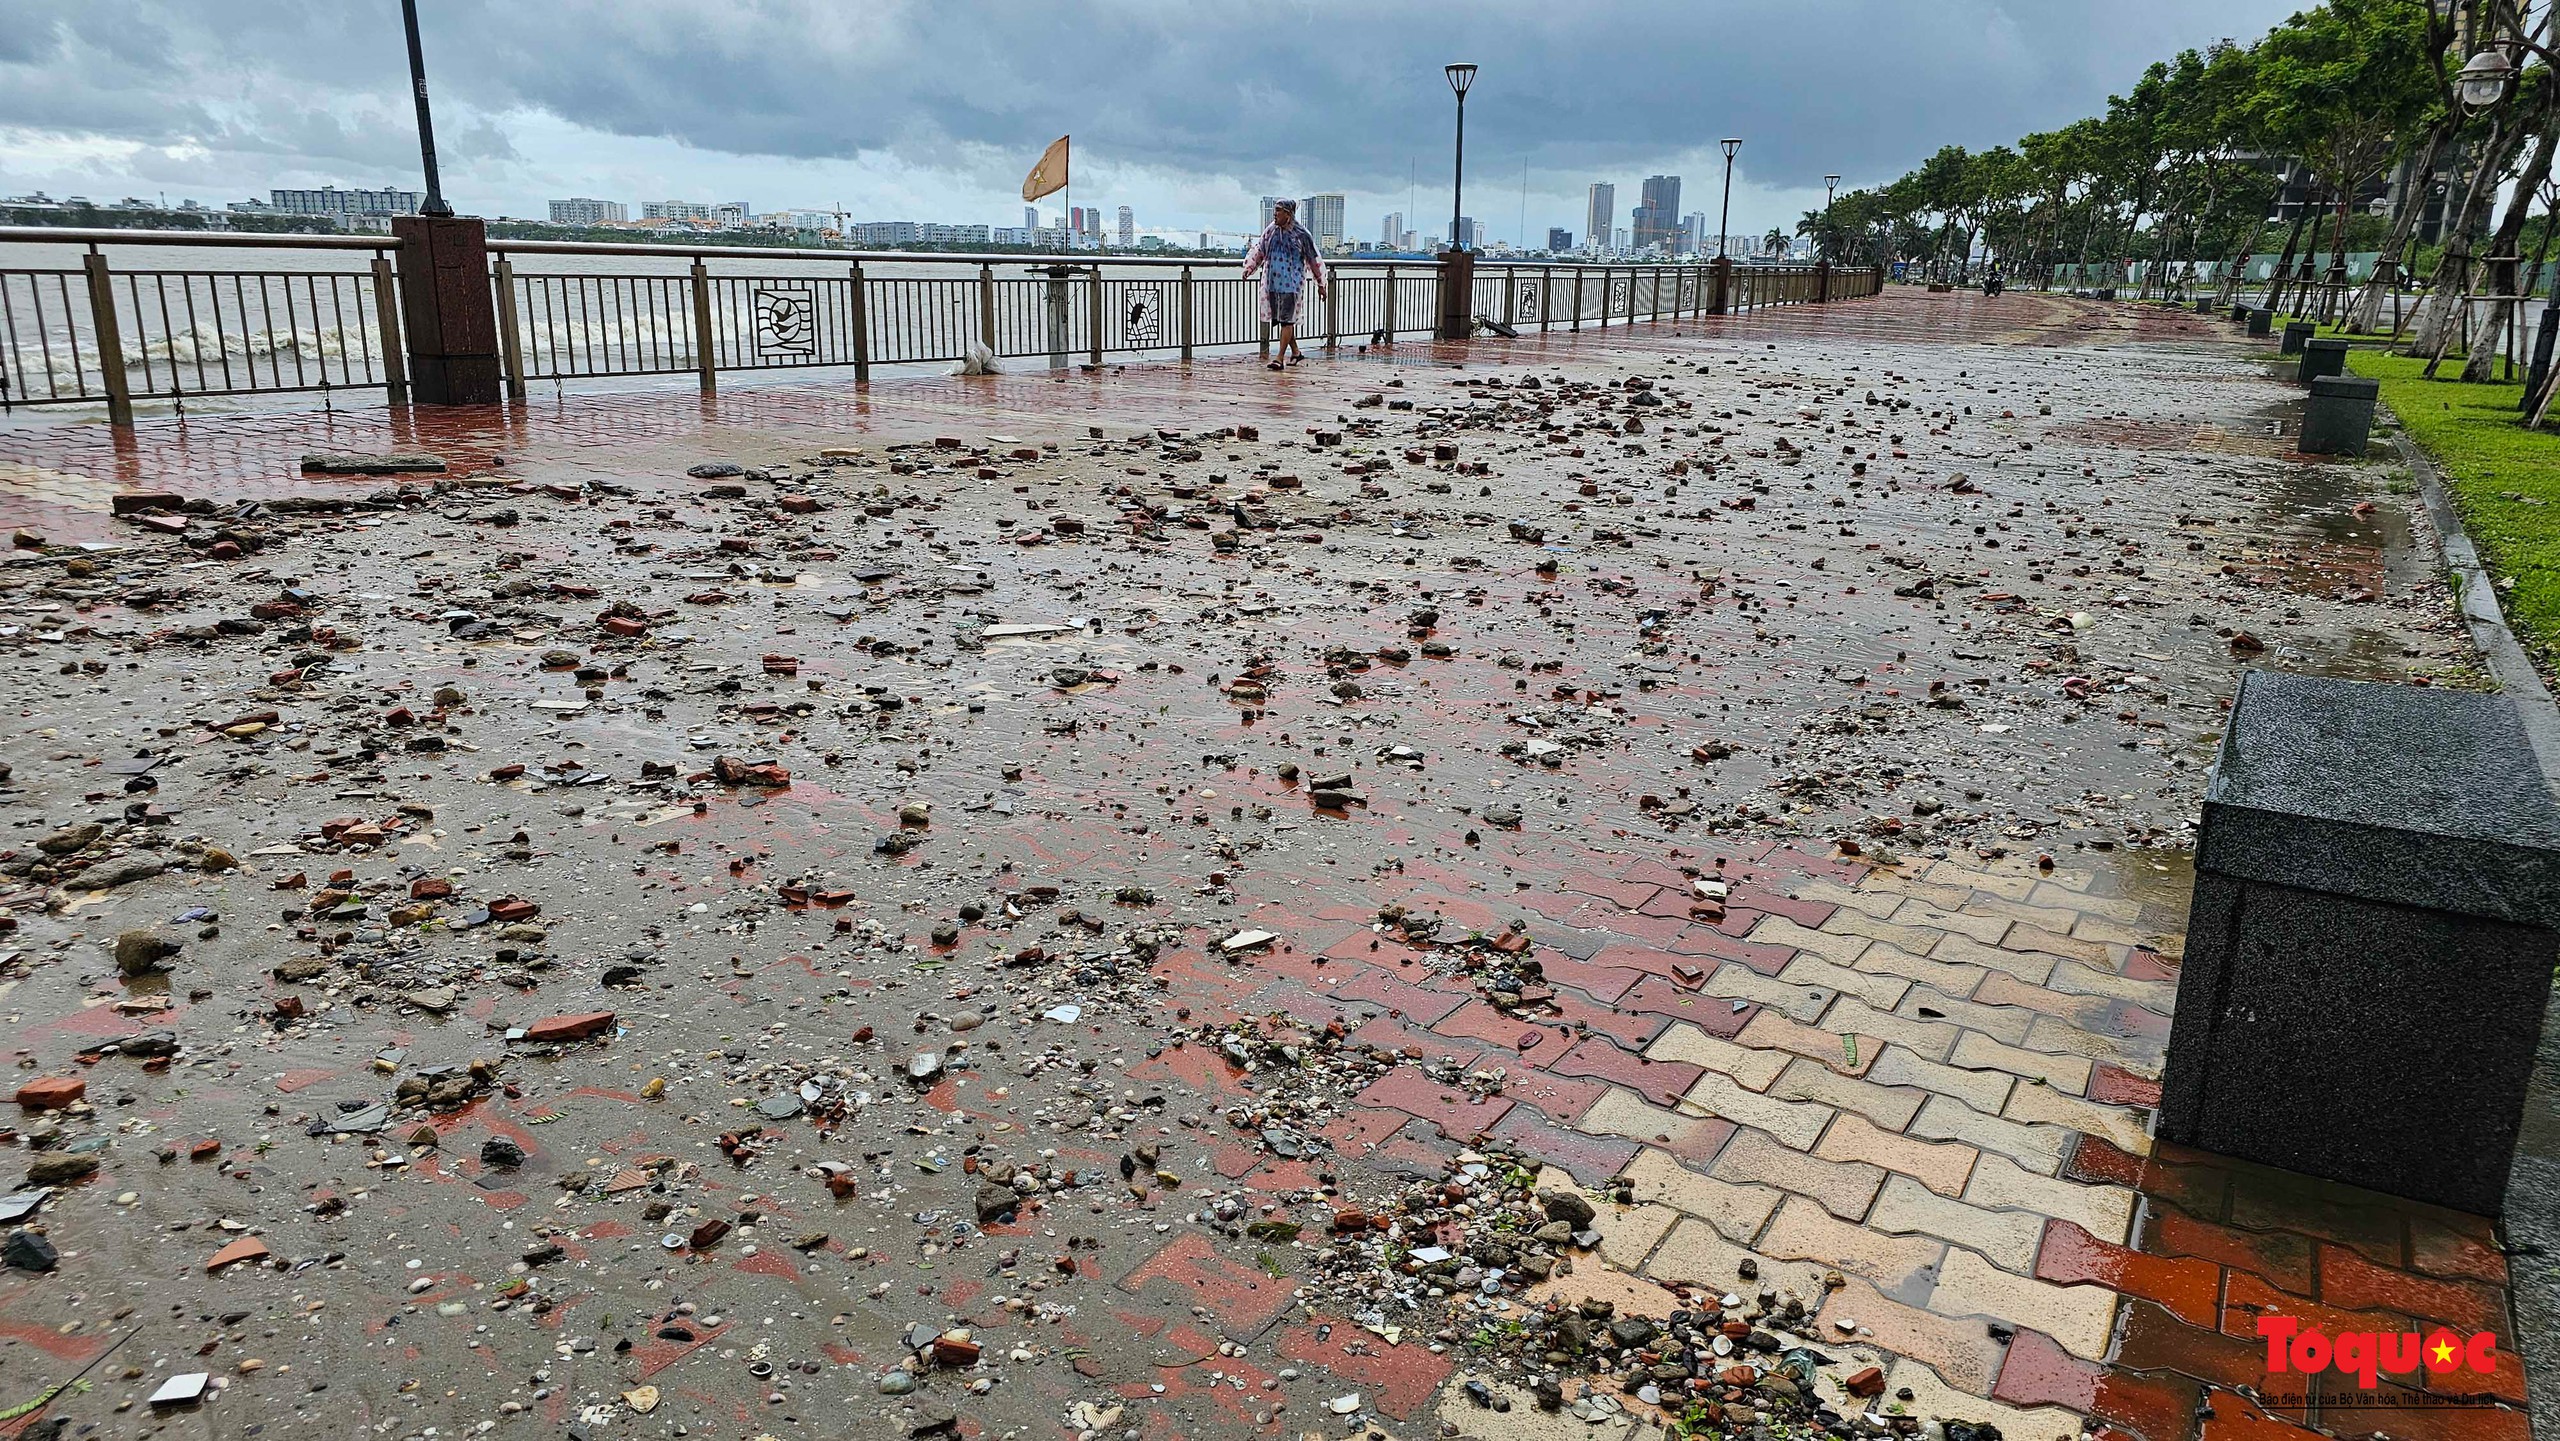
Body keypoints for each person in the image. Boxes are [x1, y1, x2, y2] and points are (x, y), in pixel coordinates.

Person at [1242, 201, 1327, 370]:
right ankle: (1296, 352)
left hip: (1292, 283)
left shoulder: (1301, 234)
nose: (1275, 214)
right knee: (1282, 321)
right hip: (1273, 283)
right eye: (1275, 211)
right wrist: (1249, 268)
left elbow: (1313, 260)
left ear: (1288, 214)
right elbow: (1260, 250)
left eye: (1279, 211)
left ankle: (1279, 358)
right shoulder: (1271, 231)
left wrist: (1321, 284)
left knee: (1287, 321)